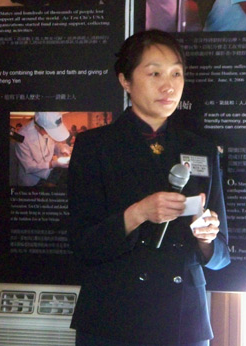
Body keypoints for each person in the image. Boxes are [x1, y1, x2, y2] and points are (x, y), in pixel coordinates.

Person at [68, 29, 230, 345]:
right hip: (114, 318)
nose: (168, 86)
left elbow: (222, 256)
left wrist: (208, 238)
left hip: (184, 320)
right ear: (125, 80)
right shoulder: (94, 147)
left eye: (176, 74)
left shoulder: (202, 149)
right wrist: (138, 213)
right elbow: (83, 245)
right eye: (154, 73)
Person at [15, 112, 71, 187]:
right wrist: (52, 164)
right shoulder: (22, 136)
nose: (49, 135)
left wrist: (61, 149)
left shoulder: (47, 128)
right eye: (49, 132)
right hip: (32, 180)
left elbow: (54, 144)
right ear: (38, 127)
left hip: (48, 173)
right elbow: (29, 167)